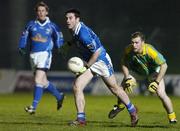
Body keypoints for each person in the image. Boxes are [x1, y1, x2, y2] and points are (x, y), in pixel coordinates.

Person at [64, 8, 138, 127]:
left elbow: (97, 51)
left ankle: (133, 110)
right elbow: (76, 39)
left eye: (70, 18)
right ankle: (81, 119)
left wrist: (86, 66)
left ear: (77, 19)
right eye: (66, 18)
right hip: (92, 61)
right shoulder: (74, 29)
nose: (67, 20)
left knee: (114, 88)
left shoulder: (83, 33)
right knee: (77, 86)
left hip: (100, 61)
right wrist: (68, 44)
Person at [108, 31, 177, 124]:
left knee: (161, 94)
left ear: (143, 42)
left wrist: (156, 82)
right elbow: (123, 63)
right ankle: (120, 106)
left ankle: (172, 117)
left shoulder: (150, 51)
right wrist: (127, 77)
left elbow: (164, 66)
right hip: (138, 72)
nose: (134, 45)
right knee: (121, 88)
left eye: (137, 42)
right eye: (132, 42)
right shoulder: (128, 49)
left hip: (153, 72)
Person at [18, 1, 64, 114]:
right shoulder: (31, 24)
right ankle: (59, 96)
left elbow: (59, 37)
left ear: (47, 12)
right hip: (33, 55)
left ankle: (33, 107)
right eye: (39, 11)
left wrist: (60, 48)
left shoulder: (52, 26)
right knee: (43, 81)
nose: (41, 13)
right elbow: (24, 36)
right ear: (36, 12)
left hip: (45, 54)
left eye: (43, 10)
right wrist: (22, 47)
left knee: (38, 80)